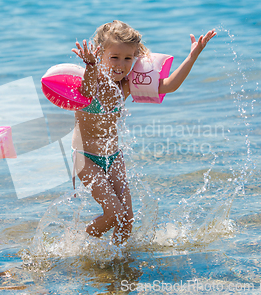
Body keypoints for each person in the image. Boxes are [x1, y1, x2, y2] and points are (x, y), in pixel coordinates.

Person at [71, 20, 216, 244]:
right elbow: (86, 92)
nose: (121, 64)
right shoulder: (92, 79)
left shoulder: (127, 84)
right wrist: (90, 65)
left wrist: (193, 56)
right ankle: (75, 243)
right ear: (100, 55)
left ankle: (116, 261)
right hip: (85, 159)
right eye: (115, 57)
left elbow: (168, 86)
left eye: (128, 58)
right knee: (113, 214)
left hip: (113, 157)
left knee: (127, 219)